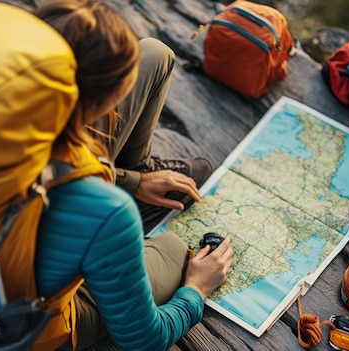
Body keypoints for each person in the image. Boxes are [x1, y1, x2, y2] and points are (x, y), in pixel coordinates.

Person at [32, 1, 234, 350]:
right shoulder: (102, 211)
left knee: (154, 54)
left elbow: (53, 170)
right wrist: (195, 290)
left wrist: (133, 180)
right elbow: (143, 339)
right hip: (28, 319)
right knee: (173, 248)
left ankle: (139, 172)